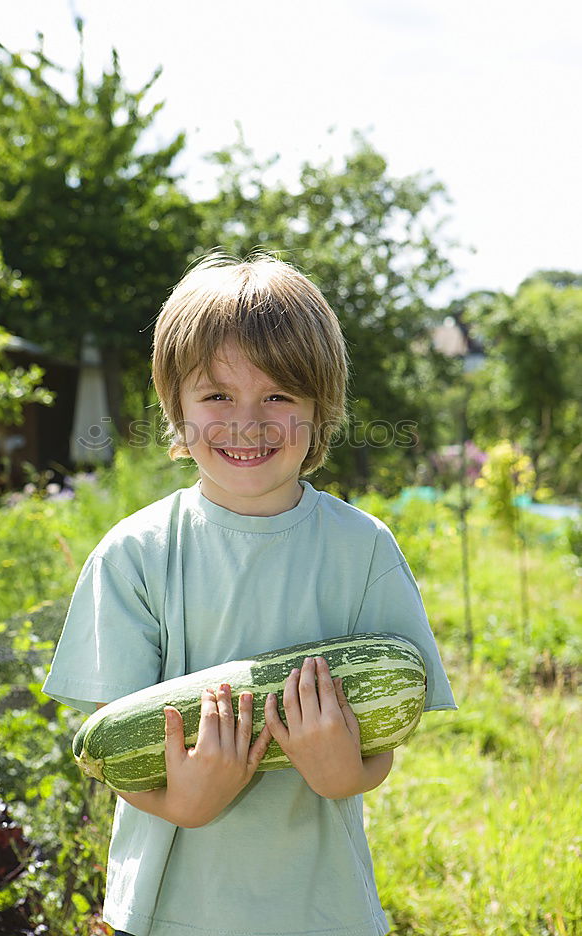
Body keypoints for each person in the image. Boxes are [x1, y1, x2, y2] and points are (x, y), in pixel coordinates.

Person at [42, 253, 457, 936]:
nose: (246, 422)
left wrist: (340, 774)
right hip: (167, 908)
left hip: (318, 906)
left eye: (278, 396)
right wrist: (186, 802)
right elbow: (114, 746)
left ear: (319, 407)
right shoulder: (134, 554)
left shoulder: (363, 551)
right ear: (174, 407)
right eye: (215, 396)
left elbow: (382, 741)